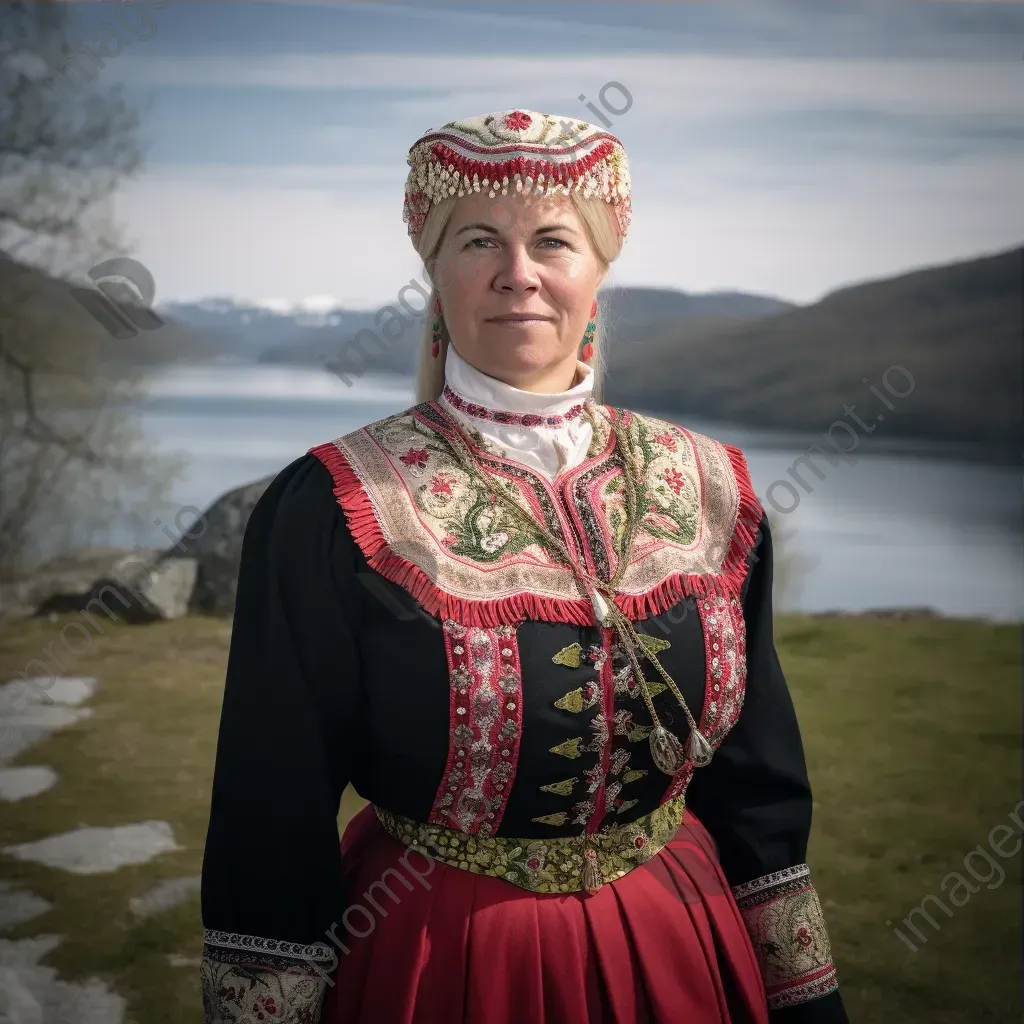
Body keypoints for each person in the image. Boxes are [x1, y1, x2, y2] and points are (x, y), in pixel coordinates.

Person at [200, 109, 850, 1024]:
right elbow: (272, 801)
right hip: (438, 957)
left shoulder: (709, 487)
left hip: (677, 942)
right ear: (435, 271)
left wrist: (805, 999)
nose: (520, 273)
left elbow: (756, 782)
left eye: (554, 240)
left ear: (597, 272)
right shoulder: (332, 505)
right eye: (478, 241)